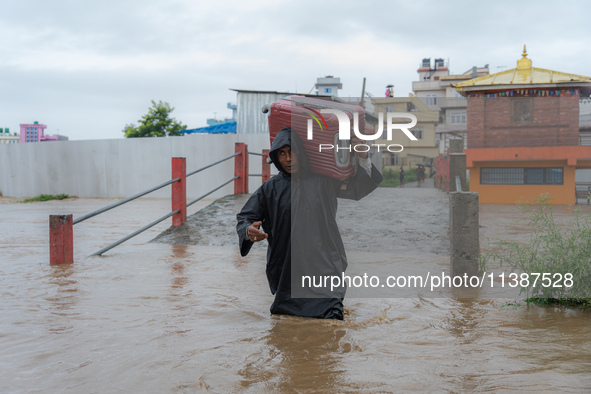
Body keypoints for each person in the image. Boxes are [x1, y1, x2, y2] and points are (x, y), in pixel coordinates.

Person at [236, 127, 382, 320]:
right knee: (287, 330)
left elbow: (357, 188)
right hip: (287, 275)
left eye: (293, 151)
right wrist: (248, 231)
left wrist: (363, 157)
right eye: (282, 153)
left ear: (303, 153)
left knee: (332, 325)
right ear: (275, 157)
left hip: (326, 268)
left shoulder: (326, 180)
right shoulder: (269, 189)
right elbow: (245, 217)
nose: (288, 158)